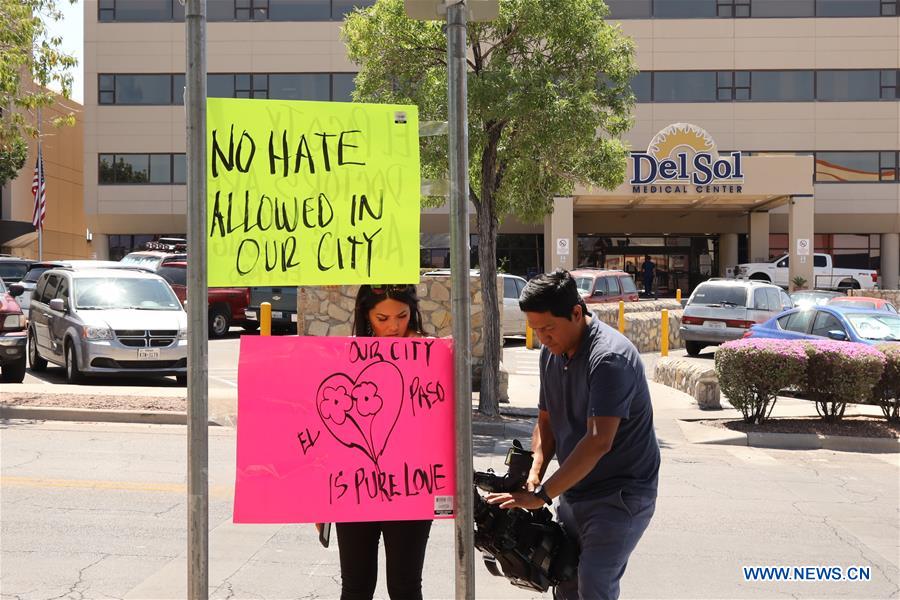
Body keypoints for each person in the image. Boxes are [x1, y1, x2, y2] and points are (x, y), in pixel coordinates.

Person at [487, 270, 660, 600]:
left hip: (620, 496)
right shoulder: (549, 355)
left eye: (549, 328)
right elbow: (546, 422)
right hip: (573, 492)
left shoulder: (608, 358)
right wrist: (535, 472)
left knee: (594, 583)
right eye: (535, 329)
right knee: (565, 580)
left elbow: (598, 441)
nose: (542, 337)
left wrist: (542, 496)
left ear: (577, 313)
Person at [331, 284, 433, 600]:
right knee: (356, 586)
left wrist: (426, 358)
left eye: (402, 316)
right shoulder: (345, 356)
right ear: (366, 316)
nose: (393, 326)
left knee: (404, 586)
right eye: (383, 317)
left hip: (411, 485)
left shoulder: (431, 352)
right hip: (354, 486)